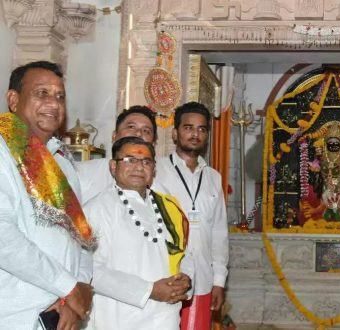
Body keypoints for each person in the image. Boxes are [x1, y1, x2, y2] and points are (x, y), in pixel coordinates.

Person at [0, 61, 95, 329]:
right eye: (42, 93)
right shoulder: (2, 149)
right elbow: (3, 238)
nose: (53, 103)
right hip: (14, 313)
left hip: (60, 313)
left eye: (60, 96)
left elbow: (80, 236)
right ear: (13, 99)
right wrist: (67, 287)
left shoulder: (62, 160)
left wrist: (81, 288)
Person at [84, 136, 191, 329]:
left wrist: (186, 279)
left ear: (154, 169)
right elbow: (89, 270)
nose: (139, 167)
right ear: (113, 166)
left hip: (165, 317)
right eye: (130, 160)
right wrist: (149, 291)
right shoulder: (96, 210)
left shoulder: (168, 206)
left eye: (146, 161)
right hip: (120, 317)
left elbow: (185, 253)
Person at [151, 102, 229, 330]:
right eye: (188, 128)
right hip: (167, 279)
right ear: (175, 133)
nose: (195, 134)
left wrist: (219, 281)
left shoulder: (213, 177)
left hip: (203, 279)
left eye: (202, 129)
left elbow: (219, 233)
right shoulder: (157, 171)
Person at [77, 105, 157, 204]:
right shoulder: (82, 174)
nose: (139, 134)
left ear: (153, 144)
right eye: (131, 127)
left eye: (146, 131)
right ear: (114, 136)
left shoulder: (159, 192)